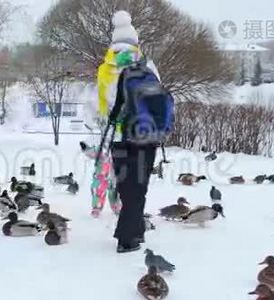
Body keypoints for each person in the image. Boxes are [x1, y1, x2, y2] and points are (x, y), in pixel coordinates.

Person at [96, 11, 168, 253]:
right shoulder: (148, 65)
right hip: (146, 135)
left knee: (128, 188)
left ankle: (134, 230)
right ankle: (127, 238)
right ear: (136, 41)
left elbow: (105, 105)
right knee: (139, 186)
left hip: (120, 135)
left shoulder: (105, 69)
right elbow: (160, 99)